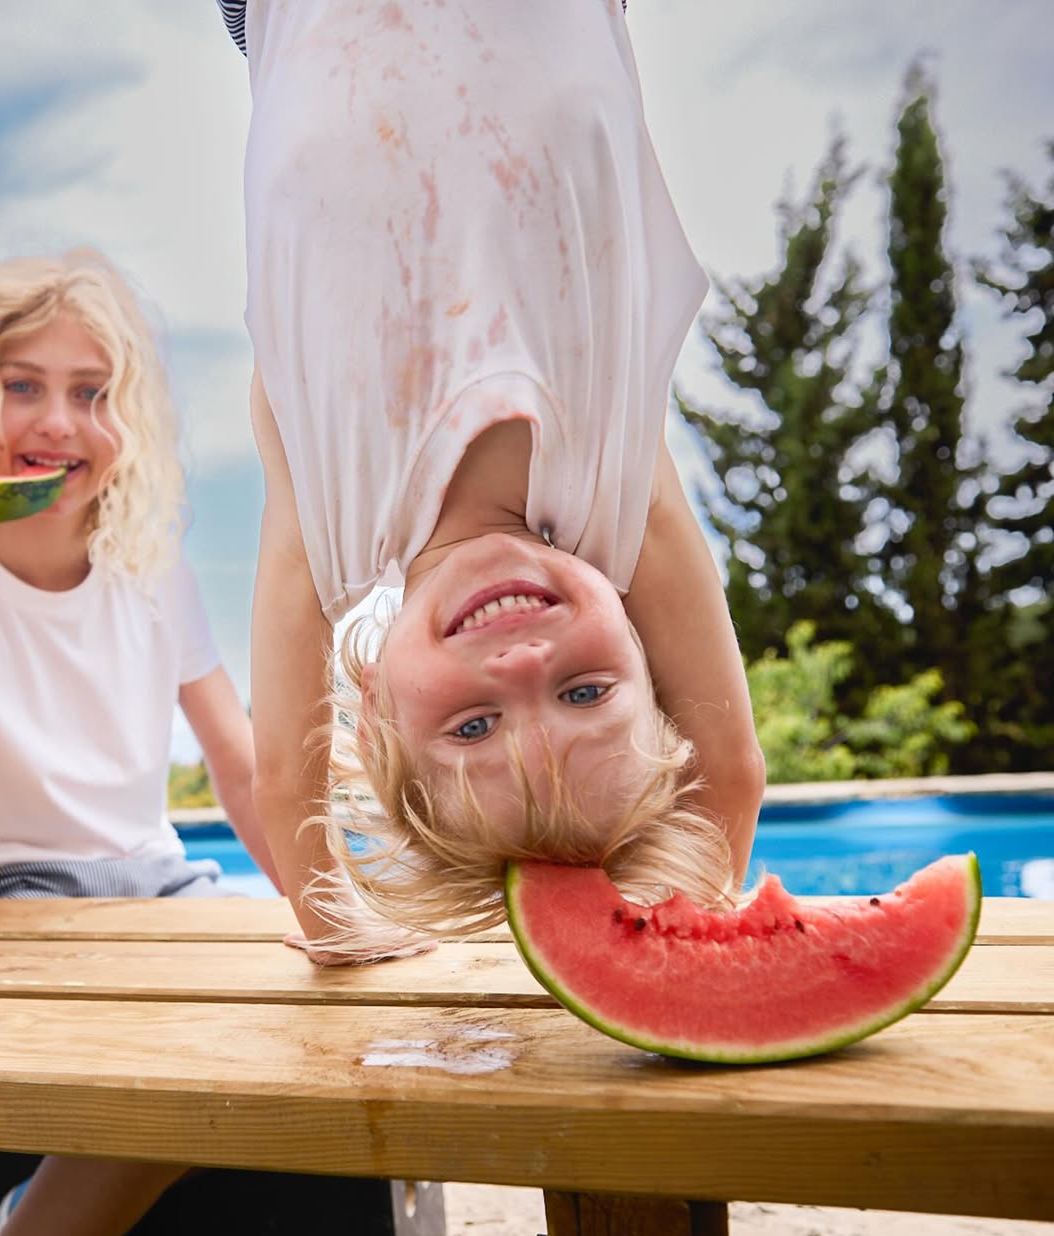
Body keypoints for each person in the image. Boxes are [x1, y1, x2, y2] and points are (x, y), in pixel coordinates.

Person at [225, 0, 765, 962]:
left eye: (473, 726)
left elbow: (278, 777)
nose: (524, 669)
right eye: (589, 694)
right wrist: (679, 972)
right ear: (642, 648)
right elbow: (728, 768)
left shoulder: (331, 518)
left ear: (377, 697)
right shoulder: (613, 482)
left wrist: (337, 932)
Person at [0, 248, 280, 1236]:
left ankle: (30, 1231)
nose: (57, 422)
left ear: (128, 417)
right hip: (21, 900)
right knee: (163, 1079)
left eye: (92, 392)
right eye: (21, 385)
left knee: (248, 1040)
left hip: (163, 885)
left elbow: (243, 763)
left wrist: (326, 914)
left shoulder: (151, 571)